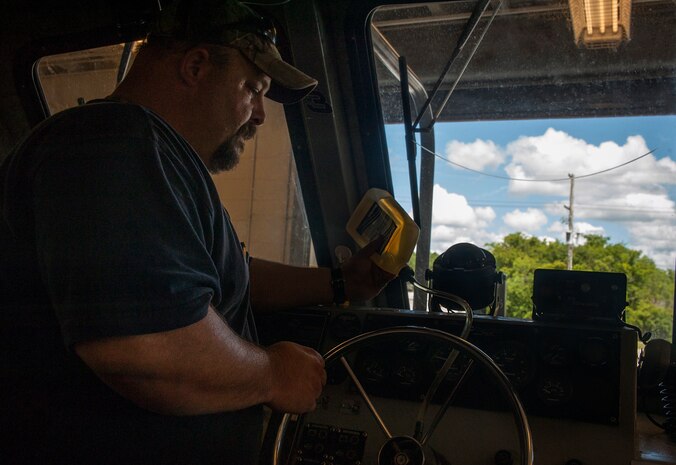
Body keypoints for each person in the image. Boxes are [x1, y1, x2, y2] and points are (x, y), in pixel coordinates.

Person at [0, 1, 394, 464]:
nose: (261, 115)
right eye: (253, 88)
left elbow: (216, 280)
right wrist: (271, 375)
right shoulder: (112, 144)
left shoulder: (150, 155)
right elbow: (146, 349)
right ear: (195, 66)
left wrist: (344, 283)